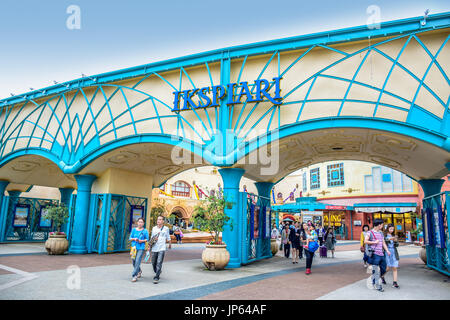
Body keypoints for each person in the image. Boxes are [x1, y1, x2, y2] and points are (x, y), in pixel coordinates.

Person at [365, 218, 390, 292]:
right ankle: (378, 286)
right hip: (375, 254)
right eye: (382, 225)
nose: (382, 226)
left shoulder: (381, 233)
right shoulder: (370, 233)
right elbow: (365, 241)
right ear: (379, 225)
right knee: (376, 270)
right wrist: (374, 242)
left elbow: (383, 243)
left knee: (384, 268)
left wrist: (387, 250)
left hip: (381, 254)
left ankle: (373, 278)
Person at [149, 215, 172, 284]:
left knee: (159, 262)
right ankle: (158, 271)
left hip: (162, 248)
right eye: (158, 219)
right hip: (154, 248)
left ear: (163, 221)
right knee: (153, 263)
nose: (158, 221)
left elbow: (168, 236)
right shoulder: (154, 228)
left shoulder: (166, 228)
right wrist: (150, 245)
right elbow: (151, 237)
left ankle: (156, 277)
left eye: (160, 219)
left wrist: (170, 244)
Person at [129, 217, 149, 282]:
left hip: (141, 247)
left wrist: (141, 241)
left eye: (142, 222)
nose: (140, 223)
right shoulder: (134, 230)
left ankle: (134, 275)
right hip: (134, 248)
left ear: (143, 223)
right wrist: (134, 239)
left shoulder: (145, 231)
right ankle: (139, 270)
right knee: (133, 260)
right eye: (139, 222)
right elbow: (130, 238)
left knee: (137, 260)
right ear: (137, 222)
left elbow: (147, 239)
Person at [384, 224, 400, 288]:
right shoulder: (384, 235)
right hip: (387, 252)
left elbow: (397, 245)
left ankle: (395, 282)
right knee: (387, 267)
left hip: (394, 252)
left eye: (393, 229)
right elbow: (384, 241)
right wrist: (390, 238)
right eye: (390, 229)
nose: (392, 230)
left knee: (395, 267)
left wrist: (395, 241)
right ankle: (382, 276)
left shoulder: (393, 236)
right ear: (387, 228)